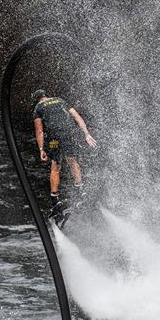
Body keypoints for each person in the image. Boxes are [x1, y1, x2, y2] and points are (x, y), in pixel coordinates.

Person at [32, 90, 97, 221]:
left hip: (55, 138)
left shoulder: (38, 107)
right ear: (46, 95)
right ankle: (81, 192)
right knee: (72, 161)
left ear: (37, 99)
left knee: (56, 166)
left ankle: (56, 201)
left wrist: (41, 149)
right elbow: (77, 116)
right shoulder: (60, 100)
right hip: (69, 133)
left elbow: (39, 130)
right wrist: (87, 134)